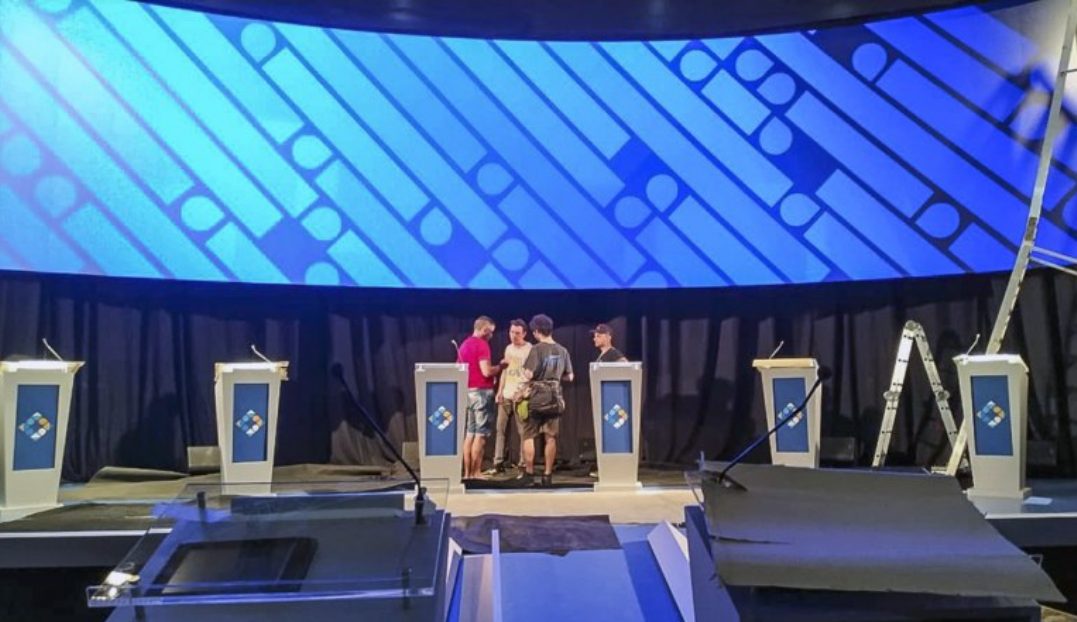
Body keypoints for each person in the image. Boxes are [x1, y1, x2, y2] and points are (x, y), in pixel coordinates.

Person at [520, 314, 573, 487]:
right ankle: (547, 475)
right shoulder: (563, 350)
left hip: (537, 398)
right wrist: (555, 379)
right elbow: (570, 376)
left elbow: (528, 374)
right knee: (551, 437)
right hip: (555, 398)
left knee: (528, 436)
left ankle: (529, 474)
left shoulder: (536, 349)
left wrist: (524, 374)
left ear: (536, 331)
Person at [457, 316, 503, 480]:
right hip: (482, 393)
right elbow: (486, 371)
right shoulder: (482, 345)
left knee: (470, 433)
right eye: (490, 332)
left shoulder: (464, 345)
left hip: (468, 392)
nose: (491, 336)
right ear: (484, 330)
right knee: (481, 435)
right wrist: (501, 367)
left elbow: (459, 369)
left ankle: (467, 473)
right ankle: (476, 472)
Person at [486, 319, 532, 475]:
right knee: (500, 429)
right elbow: (505, 371)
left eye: (517, 333)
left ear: (524, 333)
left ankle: (523, 464)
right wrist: (500, 391)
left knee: (523, 432)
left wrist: (524, 392)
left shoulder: (529, 349)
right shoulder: (508, 348)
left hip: (520, 396)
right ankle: (498, 462)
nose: (514, 336)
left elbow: (531, 374)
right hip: (506, 394)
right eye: (511, 332)